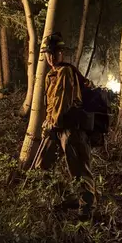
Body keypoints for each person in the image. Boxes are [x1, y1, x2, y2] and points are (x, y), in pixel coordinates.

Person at [33, 32, 97, 220]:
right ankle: (68, 196)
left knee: (79, 170)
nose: (51, 57)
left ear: (61, 53)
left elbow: (63, 103)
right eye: (49, 53)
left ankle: (86, 210)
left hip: (72, 129)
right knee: (41, 165)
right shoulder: (49, 75)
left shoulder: (66, 72)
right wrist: (48, 122)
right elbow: (51, 104)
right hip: (55, 128)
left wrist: (52, 123)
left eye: (55, 52)